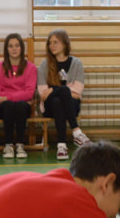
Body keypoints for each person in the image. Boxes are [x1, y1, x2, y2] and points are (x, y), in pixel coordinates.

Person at [36, 29, 91, 161]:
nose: (52, 46)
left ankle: (61, 145)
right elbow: (43, 93)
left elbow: (77, 92)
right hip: (49, 107)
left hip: (71, 105)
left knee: (58, 101)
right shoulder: (45, 64)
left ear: (65, 44)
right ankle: (76, 131)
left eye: (56, 42)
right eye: (50, 43)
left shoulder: (76, 63)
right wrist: (61, 90)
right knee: (64, 93)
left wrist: (53, 89)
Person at [0, 33, 37, 159]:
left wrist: (6, 96)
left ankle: (20, 145)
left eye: (17, 45)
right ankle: (8, 145)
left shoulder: (31, 68)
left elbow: (30, 93)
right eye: (10, 46)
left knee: (20, 105)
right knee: (10, 105)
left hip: (23, 107)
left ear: (22, 48)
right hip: (5, 108)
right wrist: (18, 96)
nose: (14, 49)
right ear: (6, 49)